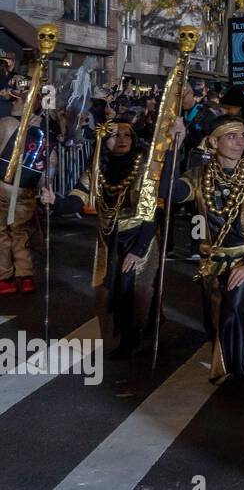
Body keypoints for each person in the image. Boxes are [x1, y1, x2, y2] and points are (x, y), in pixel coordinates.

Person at [41, 119, 182, 357]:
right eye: (115, 135)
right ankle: (126, 332)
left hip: (140, 235)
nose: (122, 139)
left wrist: (138, 249)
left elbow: (152, 211)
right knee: (109, 291)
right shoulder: (97, 169)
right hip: (109, 238)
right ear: (103, 141)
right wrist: (57, 202)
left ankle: (132, 338)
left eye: (127, 135)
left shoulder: (144, 167)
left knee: (134, 289)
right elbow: (79, 197)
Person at [171, 119, 244, 383]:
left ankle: (230, 373)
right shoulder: (199, 175)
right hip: (212, 262)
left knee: (232, 311)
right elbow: (172, 192)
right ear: (213, 142)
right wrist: (171, 148)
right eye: (231, 137)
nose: (240, 142)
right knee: (215, 323)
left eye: (242, 136)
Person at [0, 110, 50, 294]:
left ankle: (4, 278)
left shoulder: (6, 123)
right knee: (20, 233)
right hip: (26, 189)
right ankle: (25, 275)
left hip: (3, 187)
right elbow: (49, 164)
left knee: (2, 234)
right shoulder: (43, 128)